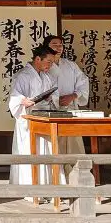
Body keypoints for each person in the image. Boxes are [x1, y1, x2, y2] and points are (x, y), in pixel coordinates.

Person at [8, 45, 59, 186]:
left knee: (45, 151)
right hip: (28, 118)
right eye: (48, 62)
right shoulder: (23, 75)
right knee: (29, 151)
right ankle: (29, 186)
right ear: (38, 59)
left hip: (43, 117)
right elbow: (14, 98)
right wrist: (23, 101)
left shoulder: (46, 76)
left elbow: (54, 95)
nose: (50, 65)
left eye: (52, 62)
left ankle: (47, 185)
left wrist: (50, 97)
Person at [42, 34, 88, 163]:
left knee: (74, 143)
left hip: (69, 108)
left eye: (61, 45)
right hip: (50, 110)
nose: (58, 47)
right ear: (47, 46)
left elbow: (83, 82)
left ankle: (76, 174)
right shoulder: (42, 66)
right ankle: (57, 177)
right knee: (54, 144)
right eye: (54, 45)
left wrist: (73, 96)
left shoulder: (70, 65)